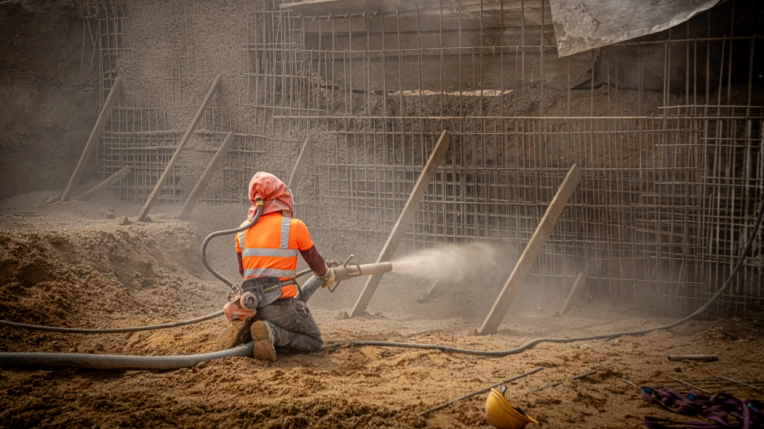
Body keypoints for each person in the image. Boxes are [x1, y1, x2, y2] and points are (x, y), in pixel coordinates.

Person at [215, 172, 335, 361]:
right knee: (313, 341)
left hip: (252, 305)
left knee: (259, 319)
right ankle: (273, 333)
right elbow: (316, 264)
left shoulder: (242, 231)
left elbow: (243, 271)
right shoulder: (294, 226)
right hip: (281, 307)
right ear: (282, 199)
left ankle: (247, 330)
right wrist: (328, 275)